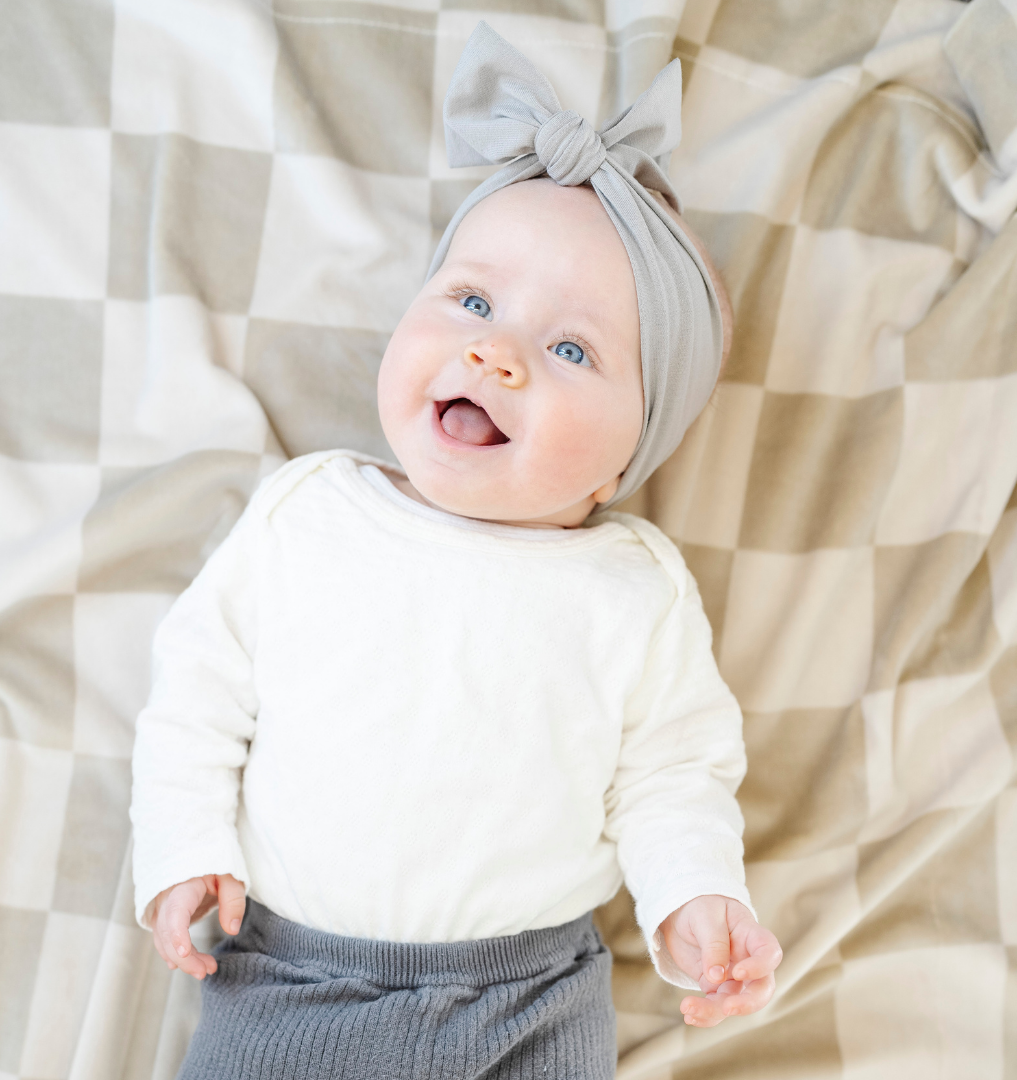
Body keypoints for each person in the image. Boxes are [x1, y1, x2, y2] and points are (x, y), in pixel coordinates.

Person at [130, 22, 782, 1079]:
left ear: (626, 459)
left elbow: (673, 776)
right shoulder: (310, 515)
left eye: (570, 348)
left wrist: (697, 899)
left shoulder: (635, 592)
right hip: (290, 979)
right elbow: (195, 697)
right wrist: (182, 849)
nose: (496, 352)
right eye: (472, 301)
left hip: (529, 999)